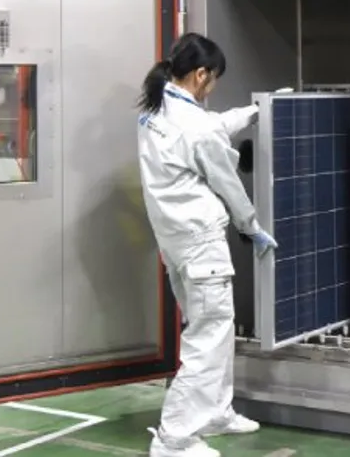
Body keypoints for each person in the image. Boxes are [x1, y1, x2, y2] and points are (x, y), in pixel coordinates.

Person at [137, 32, 278, 457]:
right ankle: (175, 438)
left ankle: (215, 412)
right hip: (201, 244)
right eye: (213, 79)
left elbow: (208, 129)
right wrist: (251, 226)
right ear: (201, 74)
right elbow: (227, 181)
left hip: (176, 243)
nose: (212, 87)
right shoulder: (193, 125)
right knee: (209, 336)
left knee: (213, 328)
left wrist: (252, 112)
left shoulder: (155, 110)